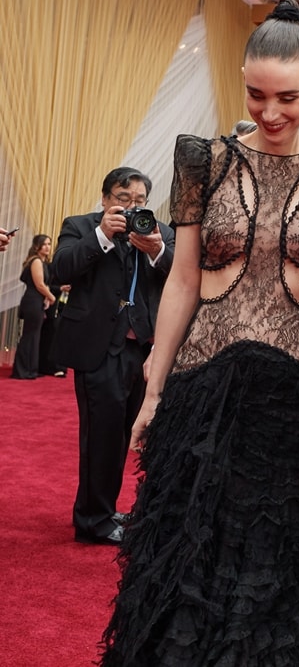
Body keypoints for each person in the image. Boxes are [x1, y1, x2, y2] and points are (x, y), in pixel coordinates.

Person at [99, 0, 299, 666]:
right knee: (184, 558)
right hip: (202, 391)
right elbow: (182, 279)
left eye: (288, 98)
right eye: (256, 94)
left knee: (274, 571)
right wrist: (154, 387)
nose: (270, 112)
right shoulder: (199, 160)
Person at [52, 168, 175, 545]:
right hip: (99, 348)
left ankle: (103, 509)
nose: (131, 207)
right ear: (105, 199)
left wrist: (156, 251)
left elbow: (183, 278)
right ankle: (92, 520)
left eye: (139, 201)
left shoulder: (160, 232)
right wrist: (103, 235)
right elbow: (60, 270)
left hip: (144, 351)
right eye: (123, 199)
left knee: (125, 435)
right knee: (101, 436)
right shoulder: (80, 226)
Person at [10, 234, 56, 379]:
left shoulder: (41, 262)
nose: (48, 247)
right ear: (37, 246)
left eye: (49, 244)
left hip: (36, 300)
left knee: (34, 336)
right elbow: (40, 285)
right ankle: (23, 370)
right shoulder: (36, 261)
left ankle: (30, 369)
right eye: (45, 244)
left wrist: (46, 298)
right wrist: (51, 296)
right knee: (30, 335)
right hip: (32, 300)